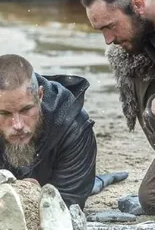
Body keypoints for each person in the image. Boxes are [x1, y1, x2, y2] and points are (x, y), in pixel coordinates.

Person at [81, 0, 155, 214]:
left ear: (138, 5)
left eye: (110, 26)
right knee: (151, 200)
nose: (108, 40)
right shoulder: (144, 28)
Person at [0, 54, 98, 210]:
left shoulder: (73, 127)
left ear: (40, 95)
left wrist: (31, 200)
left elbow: (69, 204)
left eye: (26, 109)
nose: (18, 125)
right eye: (4, 113)